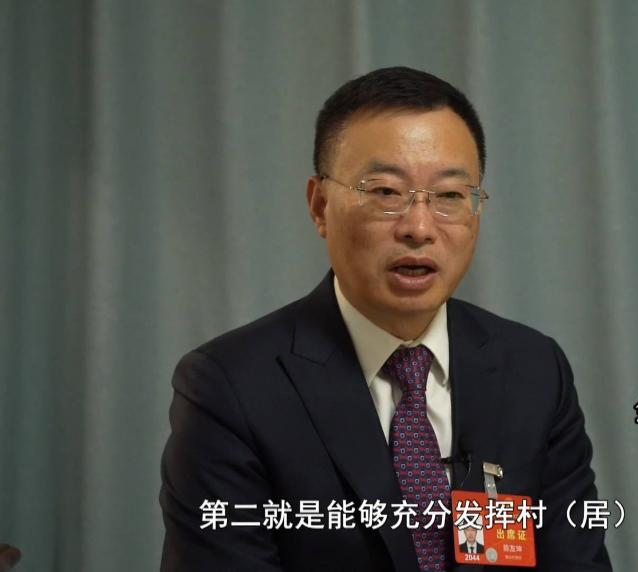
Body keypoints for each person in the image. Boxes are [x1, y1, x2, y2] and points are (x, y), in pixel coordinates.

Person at [159, 66, 611, 571]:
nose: (419, 227)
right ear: (320, 205)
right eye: (386, 193)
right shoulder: (230, 387)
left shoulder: (534, 370)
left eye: (449, 196)